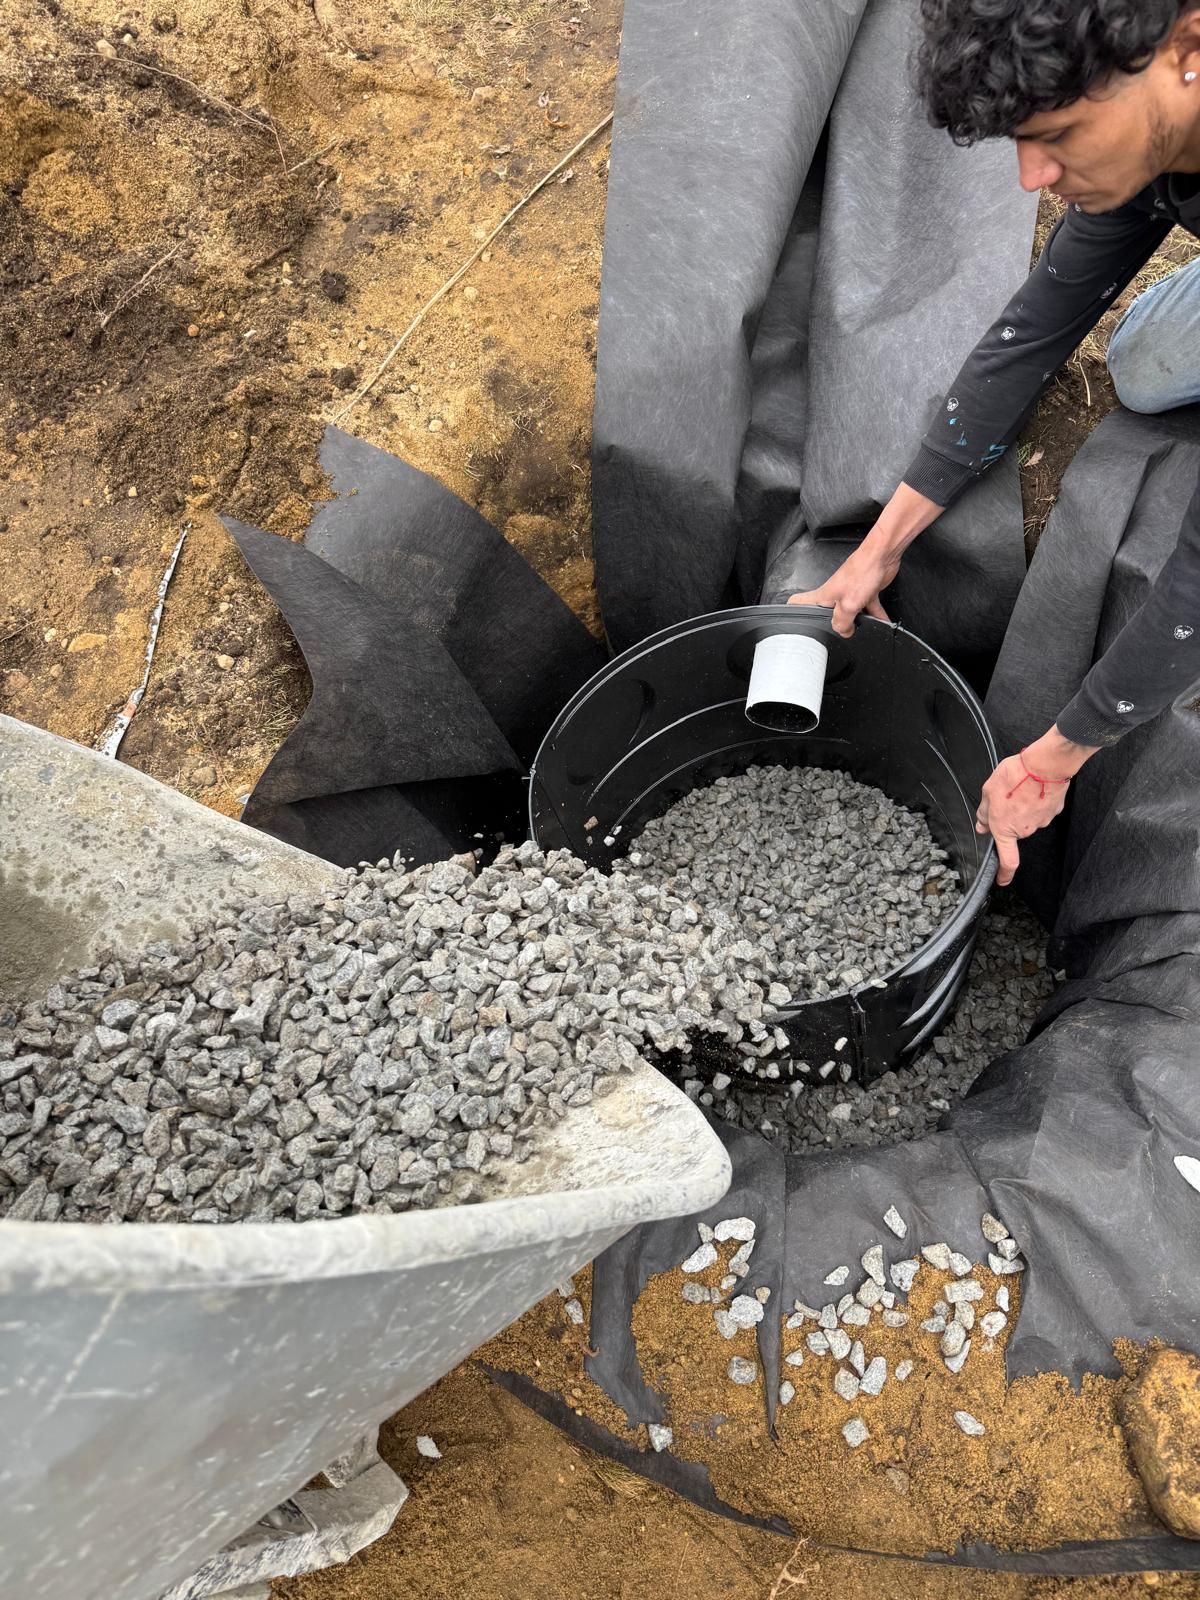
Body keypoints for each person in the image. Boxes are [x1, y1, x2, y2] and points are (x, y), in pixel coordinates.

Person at [790, 0, 1200, 886]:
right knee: (1148, 366)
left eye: (1056, 135)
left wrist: (1058, 753)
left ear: (1186, 51)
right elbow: (1035, 330)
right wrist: (878, 550)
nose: (1031, 179)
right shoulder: (1156, 120)